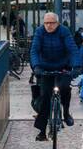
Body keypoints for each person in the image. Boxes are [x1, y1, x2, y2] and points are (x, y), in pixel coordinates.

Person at [30, 12, 79, 141]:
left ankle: (66, 113)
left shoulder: (64, 31)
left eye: (52, 23)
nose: (49, 25)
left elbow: (72, 49)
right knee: (45, 96)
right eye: (46, 23)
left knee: (64, 88)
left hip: (63, 66)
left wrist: (76, 66)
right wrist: (36, 67)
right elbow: (34, 50)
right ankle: (42, 131)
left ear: (57, 23)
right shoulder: (40, 32)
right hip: (45, 68)